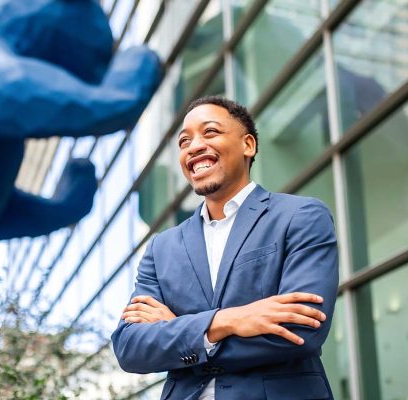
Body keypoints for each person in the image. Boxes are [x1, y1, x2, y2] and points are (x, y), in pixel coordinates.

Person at [111, 96, 339, 399]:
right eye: (184, 141)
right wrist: (228, 321)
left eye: (210, 132)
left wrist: (180, 330)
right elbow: (131, 347)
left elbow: (301, 329)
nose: (193, 147)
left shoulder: (301, 216)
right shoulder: (161, 248)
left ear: (248, 145)